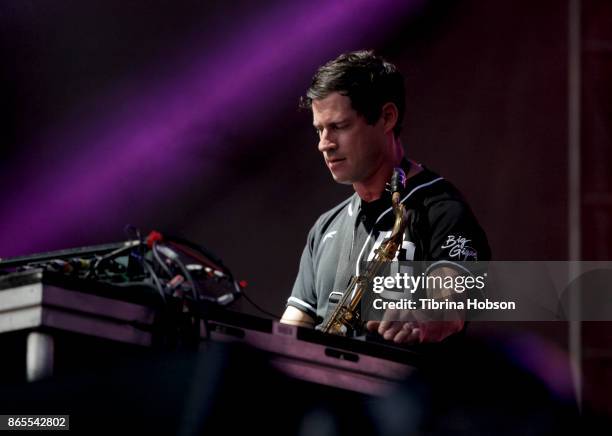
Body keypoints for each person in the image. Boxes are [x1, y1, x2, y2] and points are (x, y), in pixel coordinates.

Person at [280, 50, 490, 344]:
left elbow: (452, 306)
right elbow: (292, 330)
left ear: (387, 117)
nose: (324, 144)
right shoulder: (325, 228)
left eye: (339, 126)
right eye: (319, 130)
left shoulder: (443, 211)